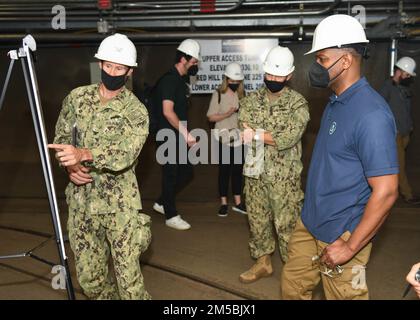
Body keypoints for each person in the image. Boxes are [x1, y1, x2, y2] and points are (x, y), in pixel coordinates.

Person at [280, 14, 399, 300]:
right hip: (310, 223)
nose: (316, 67)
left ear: (345, 61)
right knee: (292, 289)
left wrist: (350, 246)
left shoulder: (371, 115)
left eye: (321, 59)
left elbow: (386, 191)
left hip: (342, 234)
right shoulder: (336, 100)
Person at [48, 33, 151, 300]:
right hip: (83, 204)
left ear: (129, 72)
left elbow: (126, 153)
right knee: (90, 281)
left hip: (120, 207)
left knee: (130, 287)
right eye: (108, 66)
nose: (112, 72)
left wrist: (84, 153)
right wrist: (69, 166)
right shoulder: (77, 98)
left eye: (119, 68)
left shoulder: (136, 111)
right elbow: (61, 139)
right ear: (100, 64)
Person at [238, 46, 310, 283]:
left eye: (279, 76)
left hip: (284, 177)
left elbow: (288, 138)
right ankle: (263, 263)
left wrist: (257, 134)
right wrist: (269, 134)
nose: (273, 80)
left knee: (287, 224)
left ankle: (293, 272)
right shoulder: (249, 100)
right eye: (270, 75)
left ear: (289, 76)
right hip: (254, 172)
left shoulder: (298, 104)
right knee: (257, 220)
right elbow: (243, 128)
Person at [152, 39, 201, 230]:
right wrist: (187, 134)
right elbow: (167, 111)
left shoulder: (180, 82)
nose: (195, 66)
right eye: (194, 62)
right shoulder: (169, 80)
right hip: (167, 135)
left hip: (177, 136)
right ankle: (170, 215)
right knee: (171, 174)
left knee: (186, 172)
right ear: (183, 59)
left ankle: (163, 202)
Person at [207, 62, 247, 217]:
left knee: (238, 170)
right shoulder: (218, 94)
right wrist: (228, 113)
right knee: (224, 171)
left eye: (237, 81)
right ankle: (224, 203)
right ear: (226, 79)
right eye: (232, 81)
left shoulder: (242, 94)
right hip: (223, 138)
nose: (235, 83)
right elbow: (211, 117)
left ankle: (238, 202)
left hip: (239, 138)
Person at [379, 57, 420, 204]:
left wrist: (410, 126)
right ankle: (407, 194)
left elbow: (406, 110)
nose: (409, 77)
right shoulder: (387, 87)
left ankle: (389, 193)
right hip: (394, 133)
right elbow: (379, 108)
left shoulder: (404, 88)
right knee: (400, 165)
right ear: (400, 71)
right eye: (407, 74)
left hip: (405, 133)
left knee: (395, 165)